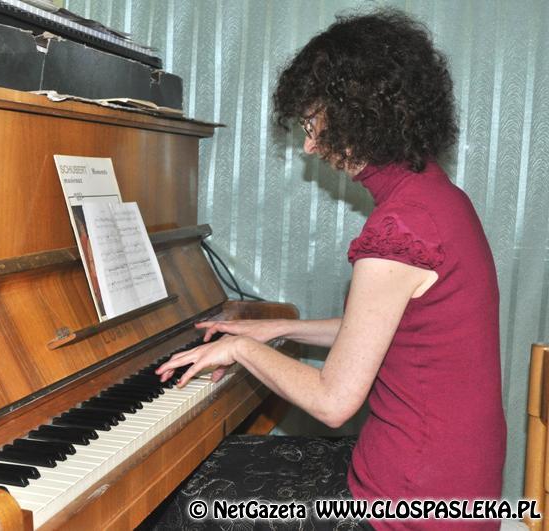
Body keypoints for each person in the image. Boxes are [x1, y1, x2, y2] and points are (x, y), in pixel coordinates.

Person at [155, 8, 505, 530]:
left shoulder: (402, 226)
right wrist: (280, 328)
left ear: (361, 116)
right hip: (448, 480)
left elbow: (333, 402)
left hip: (409, 505)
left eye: (314, 125)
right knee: (204, 467)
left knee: (177, 502)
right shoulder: (435, 196)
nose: (309, 145)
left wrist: (240, 349)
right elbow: (390, 332)